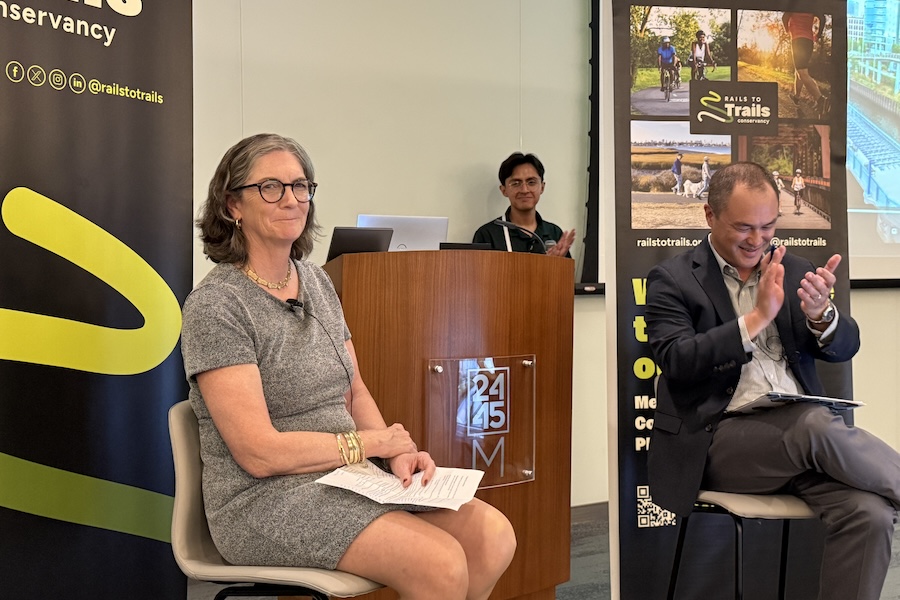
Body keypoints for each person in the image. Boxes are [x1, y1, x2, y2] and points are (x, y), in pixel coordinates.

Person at [181, 133, 517, 599]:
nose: (292, 199)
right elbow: (259, 453)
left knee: (493, 536)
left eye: (301, 186)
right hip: (263, 499)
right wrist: (372, 444)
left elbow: (355, 389)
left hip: (347, 478)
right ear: (232, 205)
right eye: (271, 187)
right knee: (439, 564)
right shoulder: (216, 306)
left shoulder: (316, 281)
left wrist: (395, 454)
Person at [645, 161, 900, 600]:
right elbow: (677, 361)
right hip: (718, 441)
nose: (758, 239)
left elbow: (845, 347)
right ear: (709, 215)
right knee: (814, 424)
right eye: (744, 227)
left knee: (870, 513)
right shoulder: (673, 279)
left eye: (768, 226)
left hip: (798, 443)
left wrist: (822, 315)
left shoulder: (793, 266)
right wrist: (756, 318)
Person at [473, 152, 575, 256]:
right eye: (516, 183)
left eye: (531, 182)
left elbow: (566, 272)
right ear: (504, 190)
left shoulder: (554, 233)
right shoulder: (487, 235)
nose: (524, 190)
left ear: (542, 187)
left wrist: (555, 265)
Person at [783, 12, 829, 118]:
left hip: (798, 40)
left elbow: (785, 16)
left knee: (802, 73)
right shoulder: (811, 4)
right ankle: (797, 96)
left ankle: (821, 100)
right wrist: (818, 34)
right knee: (799, 70)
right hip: (808, 41)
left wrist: (787, 30)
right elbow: (822, 17)